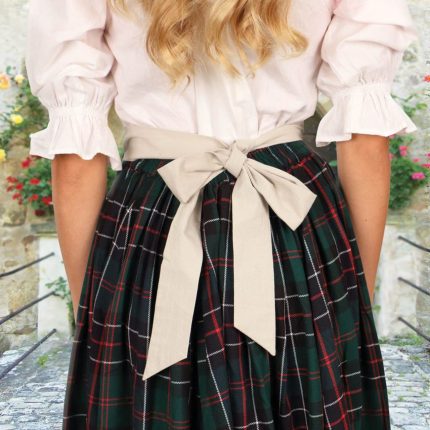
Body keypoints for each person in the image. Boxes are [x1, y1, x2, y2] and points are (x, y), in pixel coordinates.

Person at [25, 0, 418, 428]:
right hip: (292, 223)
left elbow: (76, 161)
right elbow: (365, 141)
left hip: (154, 218)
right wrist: (354, 300)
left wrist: (96, 317)